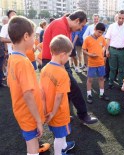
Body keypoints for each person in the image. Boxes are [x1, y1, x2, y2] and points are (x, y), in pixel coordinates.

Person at [42, 10, 98, 124]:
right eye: (81, 26)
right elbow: (58, 53)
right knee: (73, 88)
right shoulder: (60, 26)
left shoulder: (65, 25)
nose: (81, 29)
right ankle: (82, 115)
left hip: (59, 62)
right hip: (55, 63)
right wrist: (62, 69)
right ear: (77, 20)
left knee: (66, 90)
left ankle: (64, 115)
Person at [7, 16, 45, 155]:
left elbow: (12, 84)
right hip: (28, 115)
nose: (35, 39)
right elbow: (28, 95)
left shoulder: (12, 57)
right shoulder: (23, 62)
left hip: (21, 111)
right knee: (33, 147)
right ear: (26, 36)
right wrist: (38, 121)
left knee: (31, 141)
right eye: (33, 36)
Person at [40, 35, 75, 155]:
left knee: (60, 134)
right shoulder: (62, 73)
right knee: (59, 137)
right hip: (58, 112)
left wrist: (48, 111)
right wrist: (54, 113)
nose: (68, 58)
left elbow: (42, 91)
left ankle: (64, 146)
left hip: (48, 110)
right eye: (69, 55)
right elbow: (59, 96)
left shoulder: (45, 68)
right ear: (62, 55)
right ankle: (59, 153)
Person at [82, 23, 110, 104]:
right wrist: (90, 54)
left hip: (101, 63)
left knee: (101, 78)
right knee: (90, 80)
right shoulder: (87, 39)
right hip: (91, 63)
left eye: (102, 33)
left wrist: (105, 50)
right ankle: (89, 94)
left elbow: (105, 45)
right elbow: (83, 50)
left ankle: (101, 94)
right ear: (94, 29)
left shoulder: (102, 38)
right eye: (99, 32)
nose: (100, 34)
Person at [105, 10, 124, 89]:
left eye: (123, 18)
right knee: (112, 68)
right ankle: (110, 82)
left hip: (123, 51)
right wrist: (107, 50)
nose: (120, 20)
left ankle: (121, 83)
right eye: (119, 18)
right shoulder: (111, 26)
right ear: (117, 16)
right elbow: (108, 39)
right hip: (112, 50)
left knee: (121, 69)